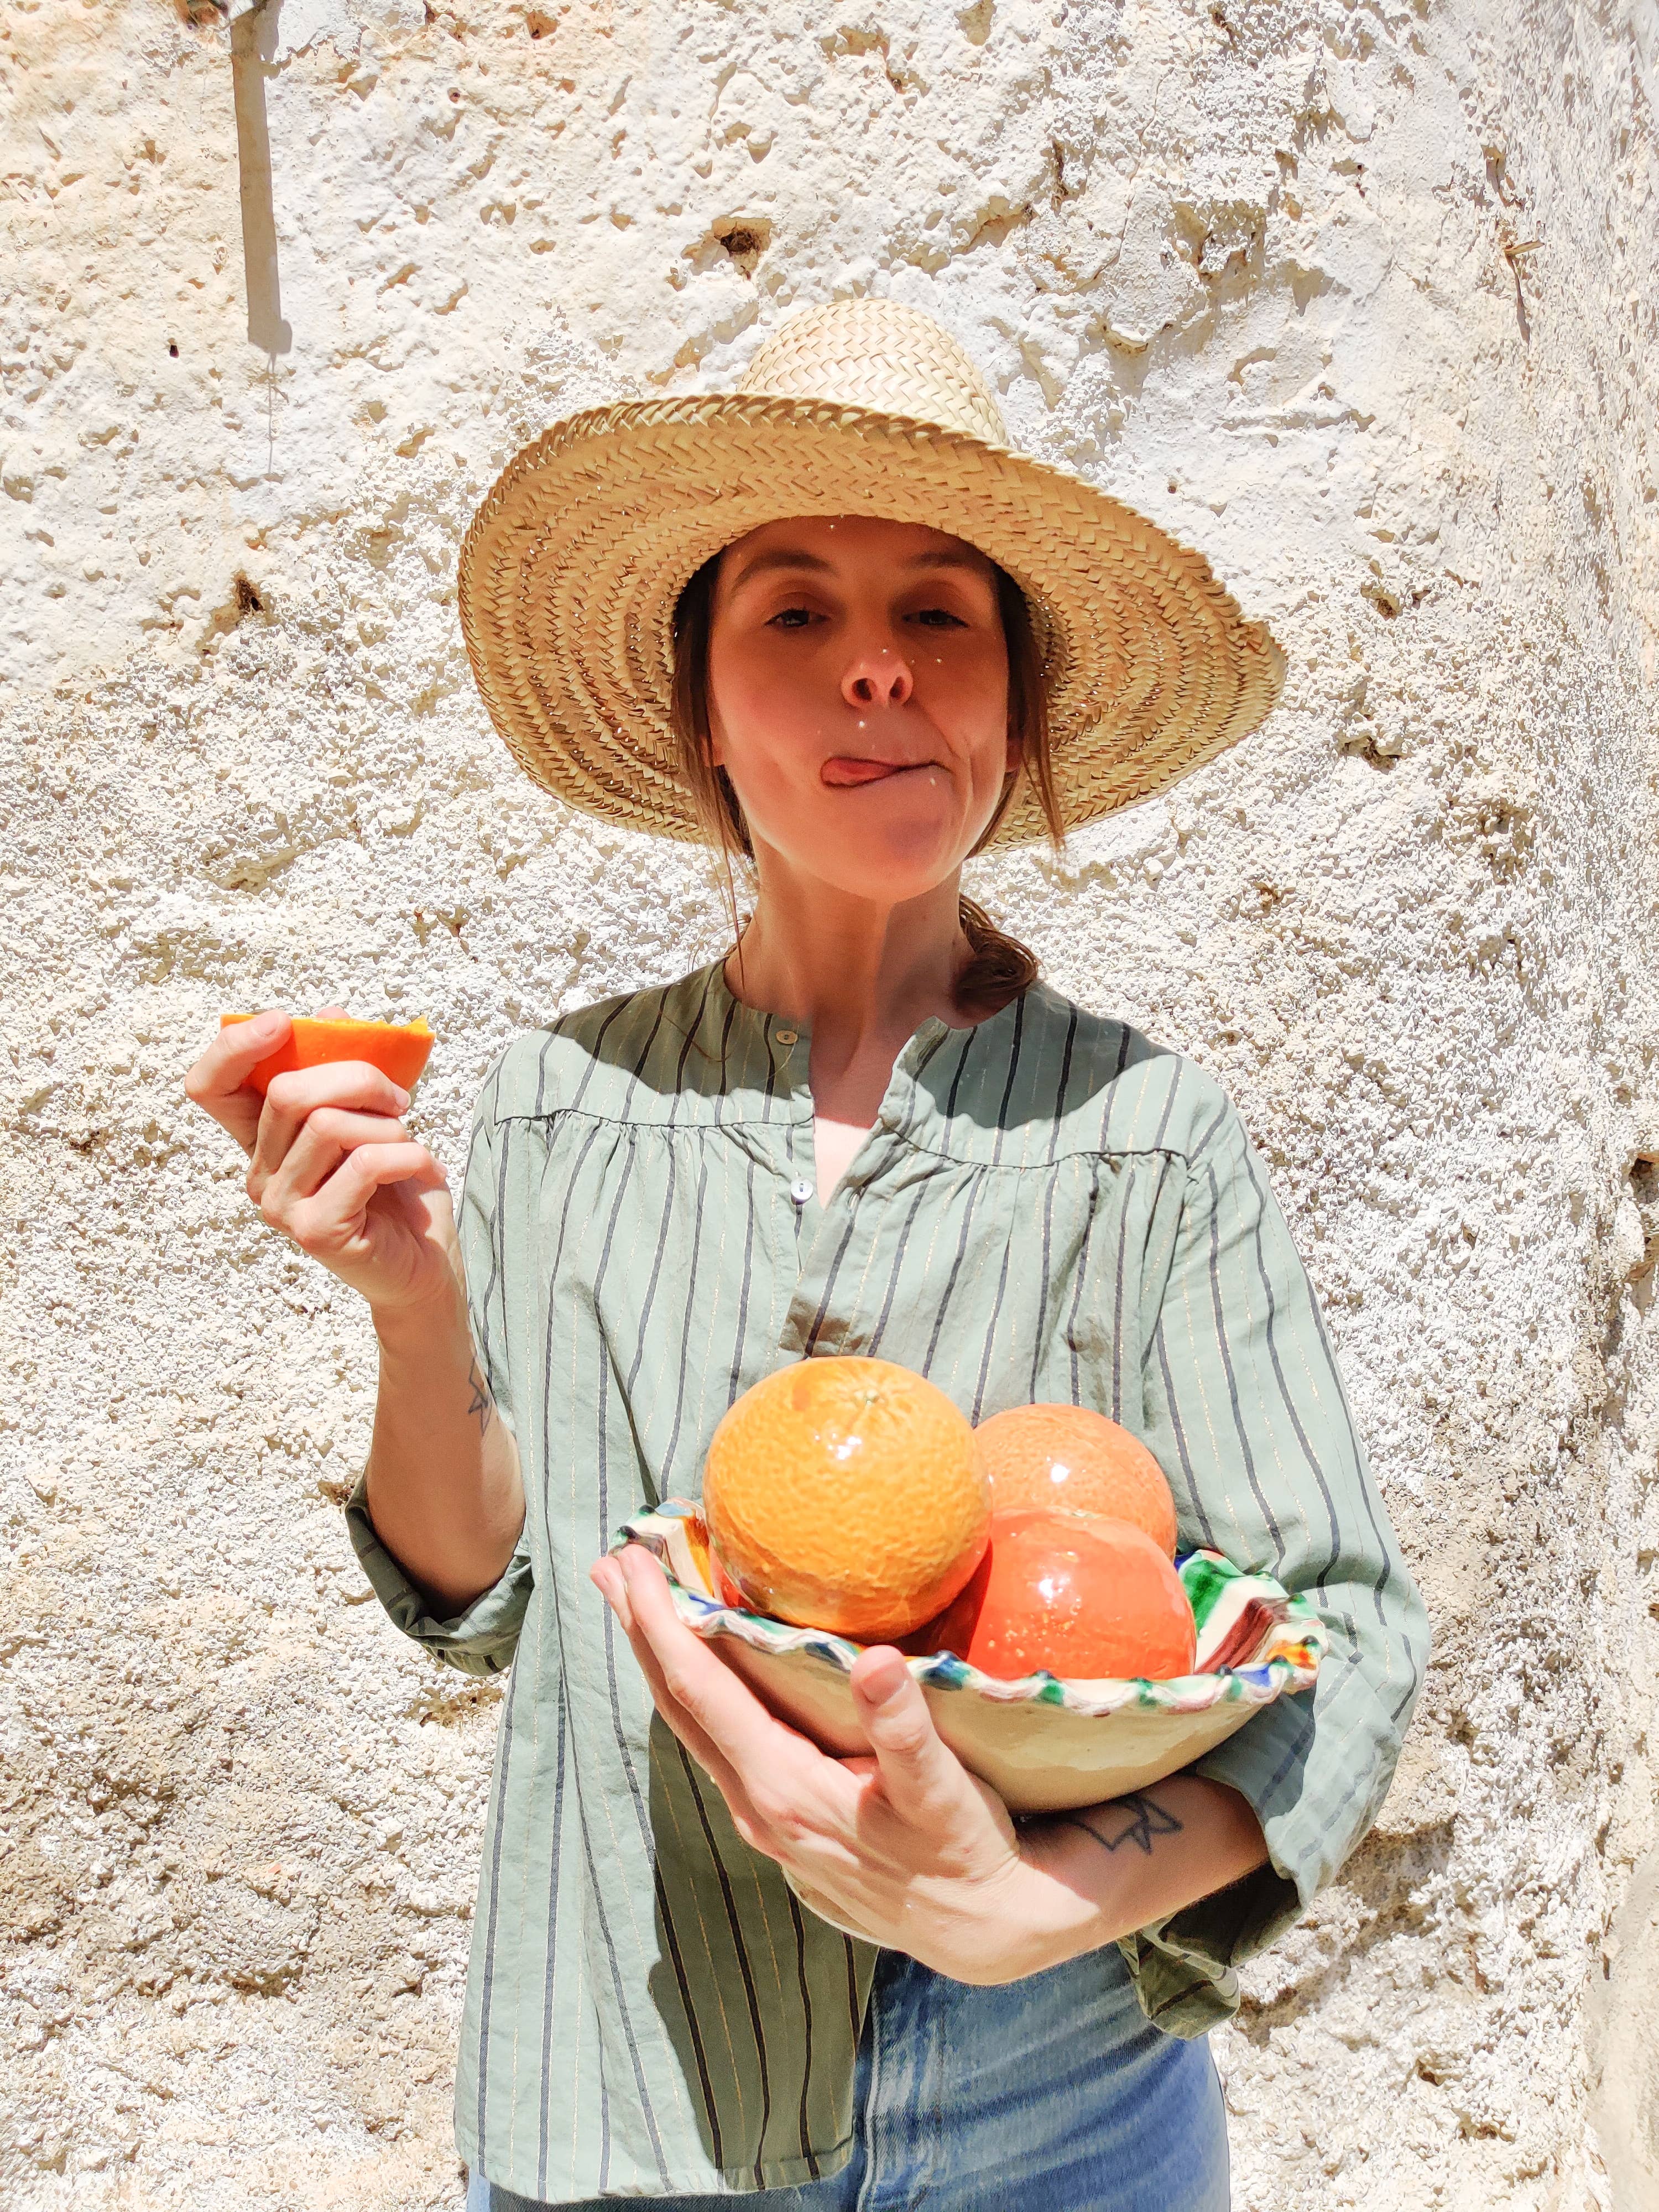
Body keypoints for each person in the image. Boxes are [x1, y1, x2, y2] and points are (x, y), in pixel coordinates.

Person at [185, 299, 1429, 2211]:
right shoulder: (549, 1103)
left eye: (941, 614)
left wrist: (1048, 1895)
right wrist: (413, 1310)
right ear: (699, 706)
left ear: (1011, 699)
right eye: (796, 613)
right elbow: (482, 1587)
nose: (878, 674)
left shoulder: (1147, 1134)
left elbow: (1340, 1625)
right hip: (624, 2080)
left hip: (1058, 2097)